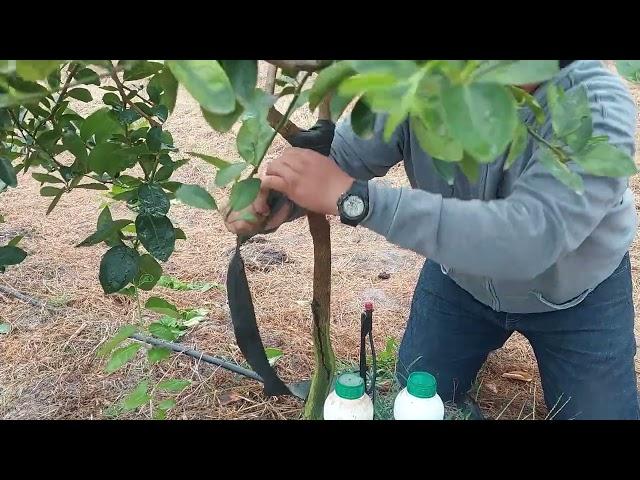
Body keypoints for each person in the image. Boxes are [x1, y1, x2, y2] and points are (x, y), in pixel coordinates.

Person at [224, 60, 639, 420]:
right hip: (460, 283)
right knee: (418, 396)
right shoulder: (418, 82)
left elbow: (527, 239)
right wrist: (280, 200)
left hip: (577, 298)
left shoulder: (595, 106)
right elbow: (344, 159)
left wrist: (355, 201)